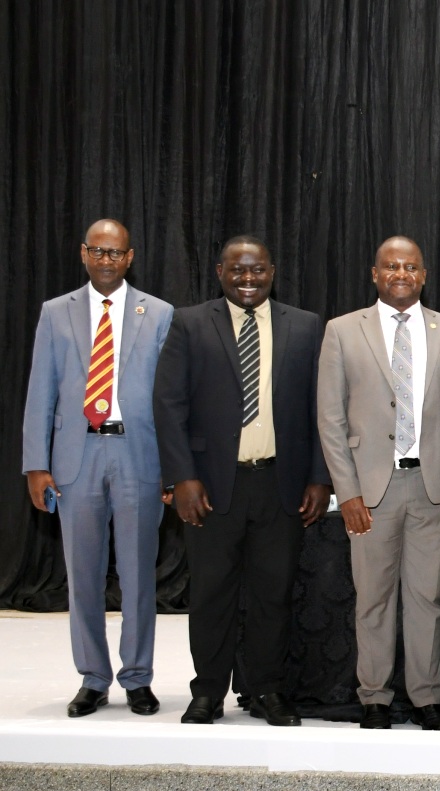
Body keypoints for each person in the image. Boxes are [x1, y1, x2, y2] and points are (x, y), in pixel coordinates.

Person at [153, 236, 331, 726]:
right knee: (212, 593)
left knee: (273, 594)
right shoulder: (189, 323)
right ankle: (207, 690)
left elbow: (322, 408)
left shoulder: (306, 326)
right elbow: (168, 407)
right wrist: (181, 478)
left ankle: (267, 689)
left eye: (257, 270)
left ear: (272, 271)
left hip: (282, 485)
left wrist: (320, 478)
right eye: (237, 270)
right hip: (211, 487)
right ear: (219, 272)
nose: (247, 279)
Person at [317, 237, 440, 731]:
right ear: (374, 273)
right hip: (371, 492)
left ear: (423, 275)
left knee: (427, 598)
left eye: (410, 267)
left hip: (433, 488)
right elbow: (330, 419)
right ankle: (375, 698)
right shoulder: (343, 331)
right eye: (391, 266)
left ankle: (427, 697)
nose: (400, 274)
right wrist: (348, 492)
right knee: (374, 598)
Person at [21, 219, 174, 718]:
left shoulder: (161, 313)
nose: (106, 260)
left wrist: (174, 468)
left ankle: (137, 677)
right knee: (82, 574)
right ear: (84, 254)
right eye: (98, 252)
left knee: (137, 575)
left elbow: (171, 399)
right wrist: (35, 465)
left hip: (138, 455)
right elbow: (40, 391)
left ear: (130, 258)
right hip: (76, 456)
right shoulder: (54, 312)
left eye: (116, 253)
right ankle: (92, 677)